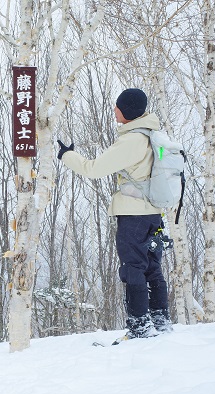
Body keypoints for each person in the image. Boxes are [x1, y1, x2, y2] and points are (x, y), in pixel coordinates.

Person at [57, 88, 173, 340]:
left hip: (134, 214)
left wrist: (67, 155)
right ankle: (161, 322)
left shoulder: (132, 141)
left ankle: (140, 326)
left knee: (133, 267)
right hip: (154, 212)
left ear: (128, 111)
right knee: (153, 267)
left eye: (117, 106)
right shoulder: (155, 136)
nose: (114, 110)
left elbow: (94, 169)